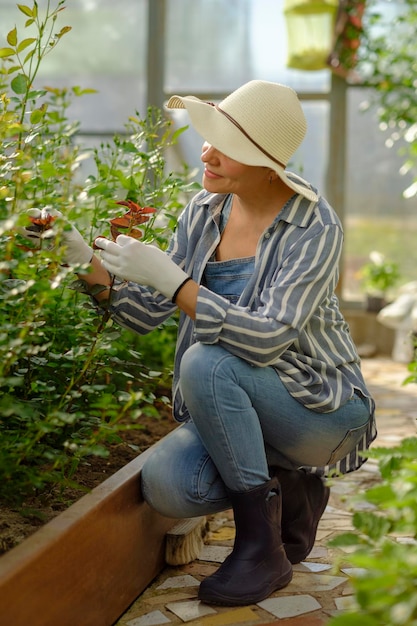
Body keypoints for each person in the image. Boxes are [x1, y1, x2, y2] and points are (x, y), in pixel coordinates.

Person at [23, 80, 376, 607]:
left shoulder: (314, 225)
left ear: (265, 161)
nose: (205, 151)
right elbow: (144, 314)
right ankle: (287, 485)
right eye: (208, 137)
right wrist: (80, 258)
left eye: (224, 145)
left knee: (209, 362)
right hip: (247, 402)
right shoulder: (204, 210)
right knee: (170, 486)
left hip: (322, 408)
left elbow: (266, 340)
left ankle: (261, 550)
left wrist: (176, 282)